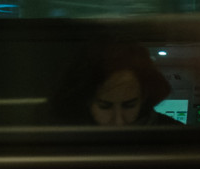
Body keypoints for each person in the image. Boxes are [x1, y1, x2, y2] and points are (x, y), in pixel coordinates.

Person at [45, 42, 175, 127]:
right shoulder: (63, 135)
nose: (118, 121)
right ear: (87, 101)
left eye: (129, 106)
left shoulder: (172, 135)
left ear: (144, 97)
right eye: (105, 106)